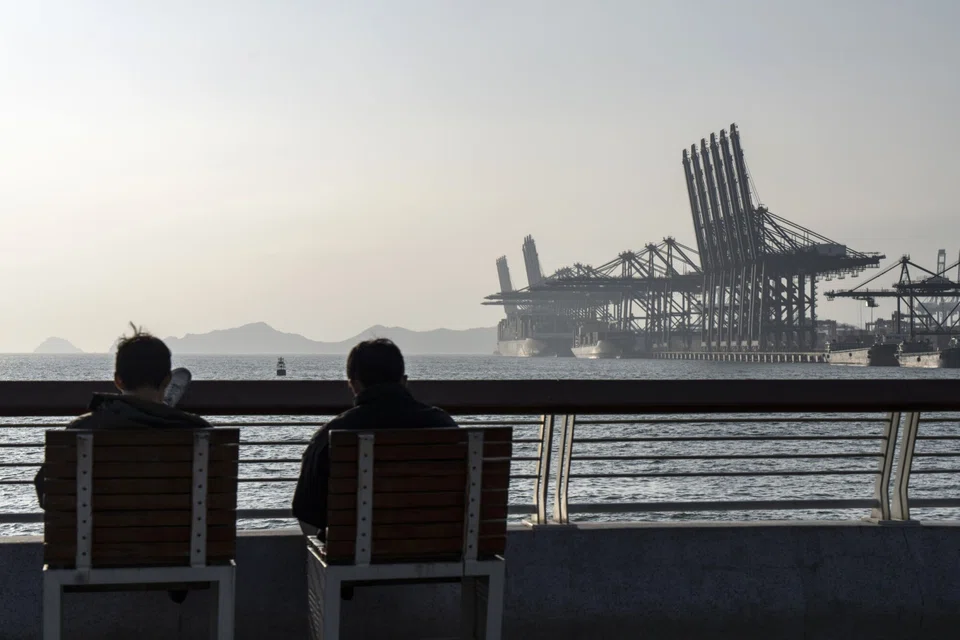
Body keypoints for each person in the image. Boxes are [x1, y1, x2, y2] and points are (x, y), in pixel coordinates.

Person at [32, 324, 210, 604]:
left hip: (88, 557)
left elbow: (48, 494)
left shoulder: (81, 433)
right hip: (184, 557)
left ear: (117, 381)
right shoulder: (201, 434)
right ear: (166, 382)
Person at [292, 338, 457, 539]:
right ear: (404, 381)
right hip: (440, 548)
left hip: (356, 557)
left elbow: (306, 513)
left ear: (354, 385)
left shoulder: (332, 435)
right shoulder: (444, 426)